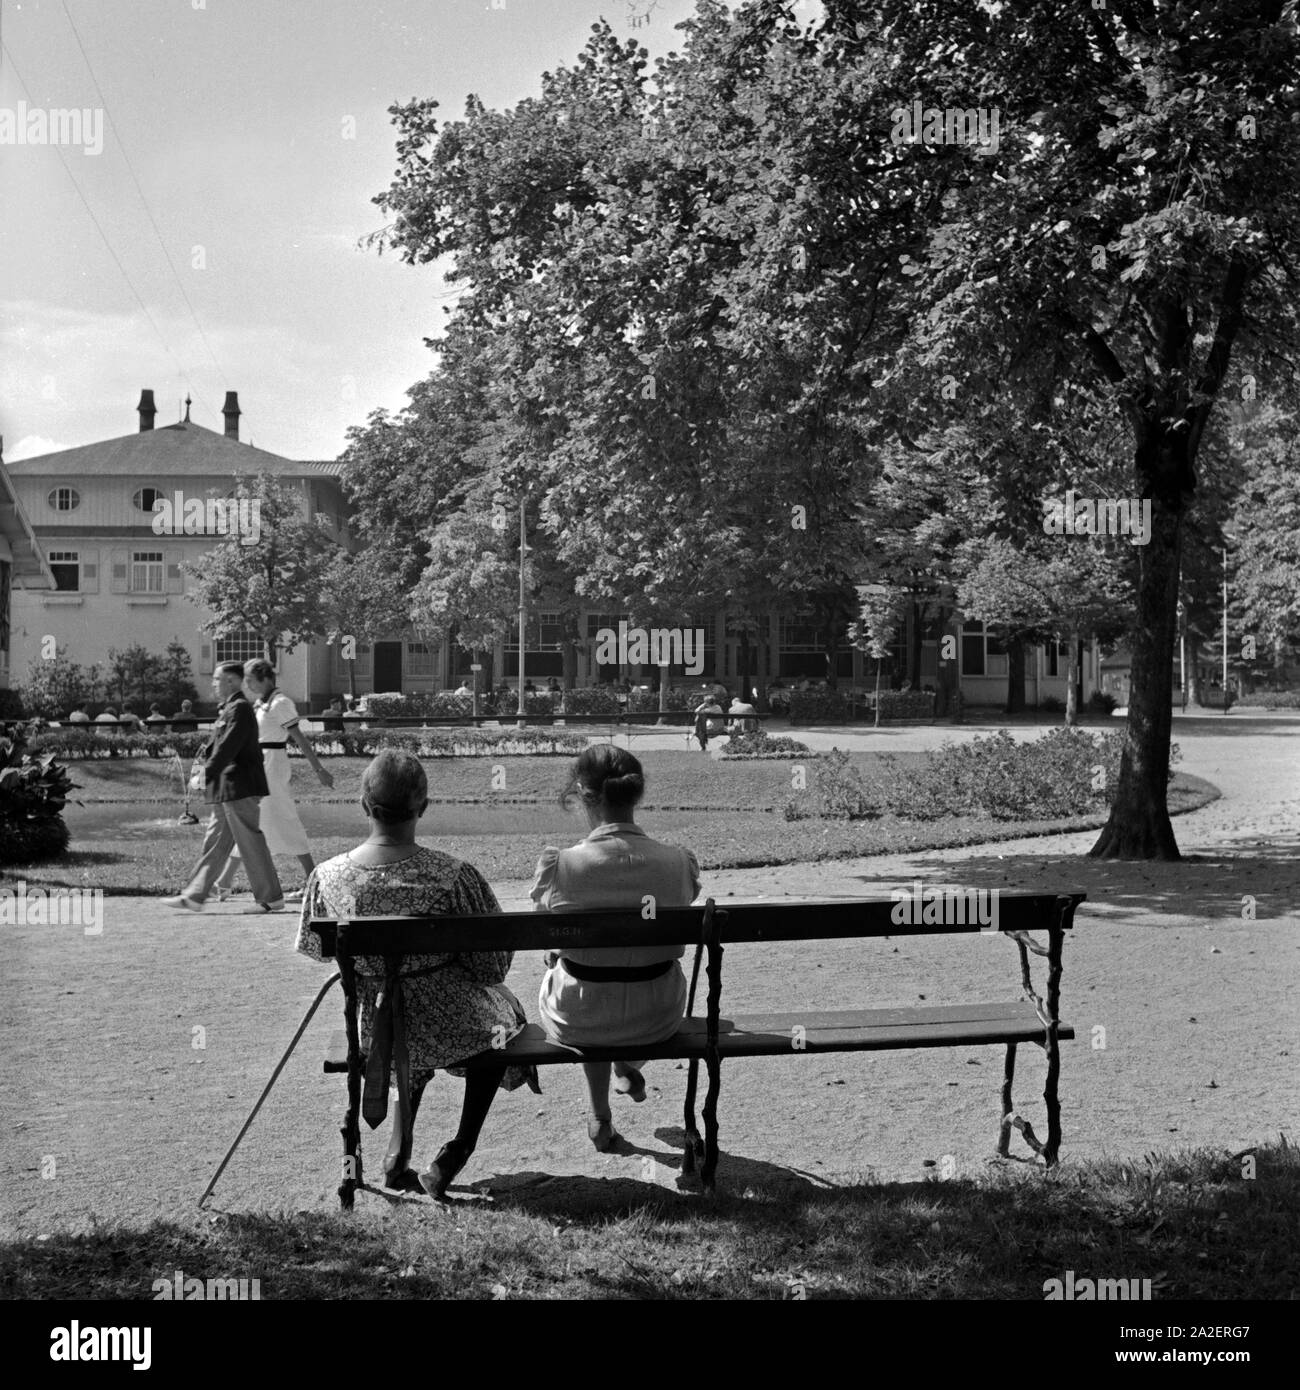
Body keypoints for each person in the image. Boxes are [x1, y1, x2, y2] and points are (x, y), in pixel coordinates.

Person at [296, 751, 538, 1198]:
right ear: (422, 808)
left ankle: (395, 1154)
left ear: (364, 806)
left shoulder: (325, 877)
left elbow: (318, 950)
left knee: (414, 1033)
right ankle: (455, 1152)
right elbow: (490, 968)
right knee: (505, 1025)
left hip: (380, 1030)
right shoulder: (455, 876)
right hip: (458, 1028)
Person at [531, 745, 700, 1152]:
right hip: (656, 1014)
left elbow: (545, 932)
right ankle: (625, 1066)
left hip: (580, 1016)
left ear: (580, 793)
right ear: (637, 794)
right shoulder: (678, 862)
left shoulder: (560, 866)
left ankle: (599, 1116)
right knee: (609, 976)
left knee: (579, 977)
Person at [162, 663, 284, 913]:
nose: (213, 684)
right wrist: (203, 775)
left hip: (239, 787)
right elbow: (217, 748)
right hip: (227, 788)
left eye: (217, 679)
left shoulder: (239, 709)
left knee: (250, 841)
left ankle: (271, 898)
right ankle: (195, 894)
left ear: (231, 681)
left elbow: (228, 747)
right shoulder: (231, 709)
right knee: (215, 842)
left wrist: (204, 775)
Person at [211, 660, 334, 904]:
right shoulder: (260, 705)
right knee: (251, 822)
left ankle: (314, 882)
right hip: (259, 766)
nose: (246, 684)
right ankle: (224, 882)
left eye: (249, 679)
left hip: (273, 769)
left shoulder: (280, 703)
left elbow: (299, 738)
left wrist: (318, 769)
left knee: (283, 820)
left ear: (265, 678)